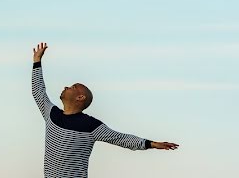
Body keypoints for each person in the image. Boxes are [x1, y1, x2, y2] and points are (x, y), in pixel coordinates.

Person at [31, 42, 178, 178]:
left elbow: (121, 139)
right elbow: (38, 92)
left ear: (80, 97)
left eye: (72, 87)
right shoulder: (51, 114)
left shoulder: (91, 126)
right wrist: (37, 61)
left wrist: (150, 143)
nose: (66, 87)